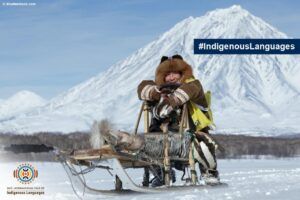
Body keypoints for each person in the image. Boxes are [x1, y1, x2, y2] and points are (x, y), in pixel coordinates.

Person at [137, 55, 219, 187]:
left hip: (190, 134)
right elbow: (142, 87)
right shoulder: (159, 89)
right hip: (163, 136)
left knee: (204, 142)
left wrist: (173, 100)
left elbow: (192, 89)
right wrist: (156, 93)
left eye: (174, 73)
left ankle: (209, 172)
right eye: (167, 74)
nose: (171, 77)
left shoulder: (194, 85)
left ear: (182, 73)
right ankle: (161, 175)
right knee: (148, 144)